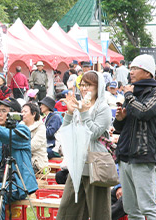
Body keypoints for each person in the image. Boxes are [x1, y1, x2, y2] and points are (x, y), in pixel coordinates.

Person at [114, 54, 156, 220]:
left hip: (143, 156)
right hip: (126, 156)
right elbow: (124, 127)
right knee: (131, 208)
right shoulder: (133, 91)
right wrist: (120, 119)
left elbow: (144, 111)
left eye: (135, 68)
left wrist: (129, 97)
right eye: (130, 69)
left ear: (147, 72)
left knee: (147, 207)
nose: (131, 72)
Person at [56, 71, 112, 219]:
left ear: (98, 87)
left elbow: (93, 134)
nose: (84, 88)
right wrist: (69, 113)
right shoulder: (79, 105)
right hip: (77, 163)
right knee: (67, 208)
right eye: (82, 85)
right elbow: (65, 131)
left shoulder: (103, 108)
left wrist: (84, 113)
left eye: (88, 85)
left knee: (98, 211)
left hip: (96, 162)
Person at [111, 147, 156, 220]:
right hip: (130, 184)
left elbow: (151, 174)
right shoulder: (127, 144)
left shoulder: (154, 146)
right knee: (111, 197)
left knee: (124, 204)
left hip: (152, 186)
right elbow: (120, 168)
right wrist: (119, 186)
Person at [21, 103, 48, 173]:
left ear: (33, 114)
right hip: (22, 159)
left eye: (25, 112)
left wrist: (18, 145)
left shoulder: (41, 127)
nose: (23, 114)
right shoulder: (20, 125)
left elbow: (32, 146)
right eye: (22, 112)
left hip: (37, 162)